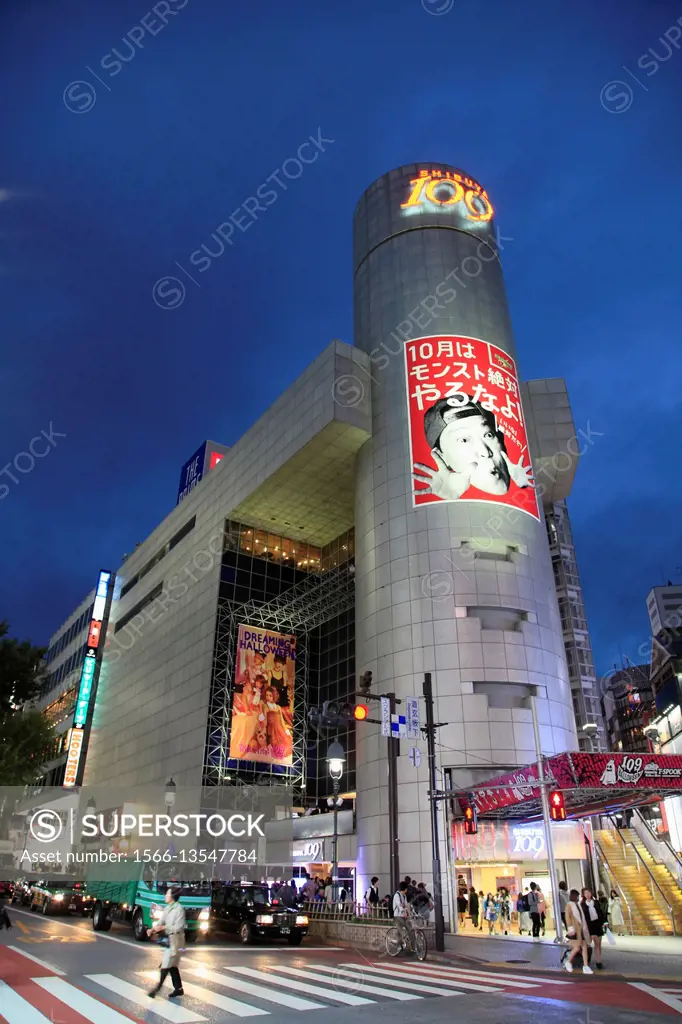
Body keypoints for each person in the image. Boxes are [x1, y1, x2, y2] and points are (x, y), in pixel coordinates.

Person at [413, 396, 533, 503]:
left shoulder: (525, 483)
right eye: (464, 440)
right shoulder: (454, 494)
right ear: (441, 456)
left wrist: (523, 486)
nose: (486, 452)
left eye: (488, 435)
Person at [148, 887, 186, 999]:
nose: (165, 896)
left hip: (177, 941)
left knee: (166, 964)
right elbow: (161, 921)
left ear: (172, 896)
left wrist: (164, 927)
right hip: (169, 940)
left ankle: (156, 989)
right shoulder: (168, 908)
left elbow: (178, 927)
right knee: (172, 965)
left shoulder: (179, 909)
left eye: (167, 894)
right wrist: (152, 929)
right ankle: (179, 989)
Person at [564, 888, 593, 974]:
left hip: (580, 930)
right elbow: (567, 917)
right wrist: (570, 928)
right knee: (577, 947)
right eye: (577, 896)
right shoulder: (570, 905)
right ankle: (569, 962)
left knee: (584, 946)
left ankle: (585, 965)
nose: (578, 897)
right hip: (575, 930)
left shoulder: (577, 904)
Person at [580, 887, 606, 970]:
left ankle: (598, 961)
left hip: (597, 924)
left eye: (589, 892)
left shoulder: (596, 902)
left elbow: (601, 913)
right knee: (593, 942)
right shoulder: (582, 904)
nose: (587, 894)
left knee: (598, 944)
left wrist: (605, 922)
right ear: (583, 895)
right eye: (585, 893)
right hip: (589, 925)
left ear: (591, 893)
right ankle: (591, 961)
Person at [393, 881, 410, 946]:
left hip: (403, 916)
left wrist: (411, 911)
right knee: (401, 932)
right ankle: (398, 944)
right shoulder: (397, 895)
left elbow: (406, 905)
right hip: (397, 916)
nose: (407, 890)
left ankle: (407, 944)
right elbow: (399, 905)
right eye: (407, 888)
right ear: (405, 889)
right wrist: (404, 911)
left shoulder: (404, 896)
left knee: (410, 928)